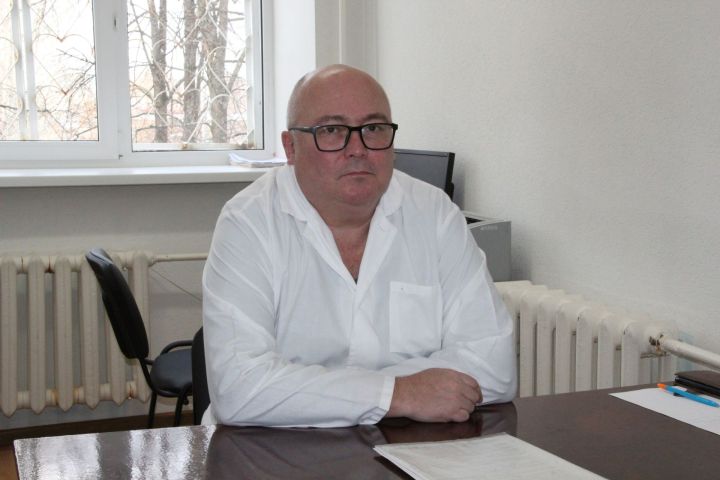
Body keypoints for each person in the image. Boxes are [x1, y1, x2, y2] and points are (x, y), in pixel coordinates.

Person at [202, 64, 516, 427]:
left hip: (409, 442)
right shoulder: (248, 222)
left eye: (374, 128)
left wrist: (312, 393)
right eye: (332, 130)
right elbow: (239, 390)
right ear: (291, 147)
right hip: (271, 449)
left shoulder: (435, 214)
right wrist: (400, 393)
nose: (358, 149)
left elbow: (495, 367)